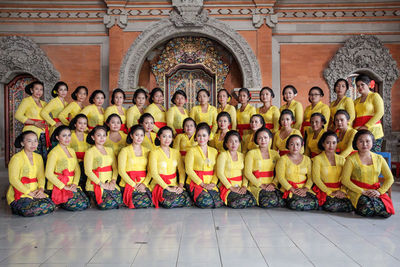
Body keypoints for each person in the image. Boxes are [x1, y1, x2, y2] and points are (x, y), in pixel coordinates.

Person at [341, 130, 394, 217]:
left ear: (372, 142)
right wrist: (362, 191)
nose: (364, 144)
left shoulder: (379, 158)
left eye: (367, 141)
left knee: (386, 212)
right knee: (367, 208)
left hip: (374, 190)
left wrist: (379, 192)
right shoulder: (350, 159)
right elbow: (345, 180)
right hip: (357, 191)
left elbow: (390, 178)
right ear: (356, 143)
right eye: (361, 141)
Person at [7, 131, 55, 216]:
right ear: (22, 143)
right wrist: (29, 192)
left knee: (51, 205)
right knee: (32, 209)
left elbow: (41, 176)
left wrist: (40, 189)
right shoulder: (16, 158)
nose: (33, 144)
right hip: (20, 193)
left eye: (35, 141)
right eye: (29, 141)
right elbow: (13, 179)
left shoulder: (38, 157)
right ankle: (17, 207)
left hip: (35, 191)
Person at [45, 126, 90, 211]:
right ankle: (57, 200)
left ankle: (61, 202)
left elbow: (77, 170)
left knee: (87, 202)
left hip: (71, 185)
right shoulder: (53, 152)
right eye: (64, 135)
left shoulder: (71, 151)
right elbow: (48, 173)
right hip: (58, 186)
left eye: (69, 135)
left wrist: (75, 183)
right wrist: (63, 186)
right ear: (57, 137)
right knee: (80, 205)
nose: (67, 138)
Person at [149, 126, 192, 208]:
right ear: (158, 137)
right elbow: (154, 173)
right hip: (160, 185)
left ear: (172, 138)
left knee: (188, 200)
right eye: (164, 136)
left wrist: (181, 185)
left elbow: (181, 171)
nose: (167, 139)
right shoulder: (154, 153)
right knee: (169, 203)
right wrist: (167, 188)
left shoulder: (176, 152)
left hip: (174, 184)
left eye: (169, 136)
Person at [311, 131, 353, 212]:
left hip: (339, 191)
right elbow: (316, 179)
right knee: (331, 205)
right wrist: (329, 192)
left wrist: (342, 191)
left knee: (352, 204)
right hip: (324, 190)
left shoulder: (342, 159)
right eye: (328, 143)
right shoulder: (317, 159)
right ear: (323, 144)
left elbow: (346, 178)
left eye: (334, 143)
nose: (331, 146)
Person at [84, 126, 123, 210]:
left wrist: (113, 181)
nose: (102, 138)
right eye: (98, 135)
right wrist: (101, 184)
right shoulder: (90, 152)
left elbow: (115, 168)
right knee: (107, 204)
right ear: (93, 137)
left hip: (109, 183)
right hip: (96, 183)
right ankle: (92, 198)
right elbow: (88, 171)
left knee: (119, 201)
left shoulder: (109, 150)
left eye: (104, 135)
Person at [276, 135, 318, 211]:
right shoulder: (282, 159)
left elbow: (311, 177)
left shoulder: (307, 159)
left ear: (302, 145)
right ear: (288, 145)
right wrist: (292, 189)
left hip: (304, 188)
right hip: (289, 189)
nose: (295, 147)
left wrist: (305, 189)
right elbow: (280, 178)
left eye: (298, 144)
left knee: (316, 201)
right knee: (297, 203)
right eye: (292, 144)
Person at [185, 123, 223, 208]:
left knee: (218, 201)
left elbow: (217, 170)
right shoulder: (191, 151)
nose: (201, 138)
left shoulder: (214, 151)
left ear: (209, 137)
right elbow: (188, 170)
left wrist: (213, 183)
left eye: (204, 135)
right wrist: (202, 184)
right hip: (195, 182)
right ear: (195, 137)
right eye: (199, 135)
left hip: (210, 182)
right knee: (206, 202)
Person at [245, 128, 285, 208]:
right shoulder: (251, 153)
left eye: (265, 137)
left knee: (282, 201)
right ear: (256, 140)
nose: (263, 140)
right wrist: (260, 185)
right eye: (260, 138)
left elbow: (279, 173)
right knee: (268, 201)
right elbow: (247, 173)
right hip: (256, 185)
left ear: (270, 139)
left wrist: (273, 184)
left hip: (271, 185)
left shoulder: (275, 154)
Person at [217, 130, 256, 208]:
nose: (233, 144)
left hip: (240, 186)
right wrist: (231, 187)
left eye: (236, 141)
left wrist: (244, 186)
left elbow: (245, 173)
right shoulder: (223, 155)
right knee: (238, 201)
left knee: (253, 200)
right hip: (227, 186)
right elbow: (220, 174)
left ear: (239, 143)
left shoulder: (243, 156)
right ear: (226, 143)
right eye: (230, 141)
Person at [118, 125, 152, 209]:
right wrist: (134, 185)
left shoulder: (147, 151)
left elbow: (151, 170)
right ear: (131, 135)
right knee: (140, 202)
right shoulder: (124, 151)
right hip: (128, 183)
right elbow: (121, 171)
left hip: (143, 183)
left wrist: (144, 184)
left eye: (141, 135)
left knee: (147, 201)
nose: (139, 138)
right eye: (137, 135)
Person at [15, 81, 50, 158]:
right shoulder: (26, 101)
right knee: (33, 155)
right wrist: (34, 123)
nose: (39, 91)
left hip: (43, 133)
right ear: (31, 90)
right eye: (36, 89)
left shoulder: (44, 103)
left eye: (41, 89)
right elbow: (18, 115)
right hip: (31, 132)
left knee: (43, 156)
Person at [353, 75, 384, 152]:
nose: (360, 87)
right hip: (359, 133)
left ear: (368, 85)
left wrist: (366, 126)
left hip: (374, 132)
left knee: (373, 157)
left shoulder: (375, 96)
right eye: (358, 86)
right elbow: (354, 117)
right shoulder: (356, 101)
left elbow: (380, 112)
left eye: (362, 84)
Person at [68, 114, 90, 190]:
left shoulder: (89, 136)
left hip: (87, 164)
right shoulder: (69, 135)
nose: (82, 126)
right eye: (80, 123)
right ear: (75, 124)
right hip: (73, 164)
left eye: (85, 123)